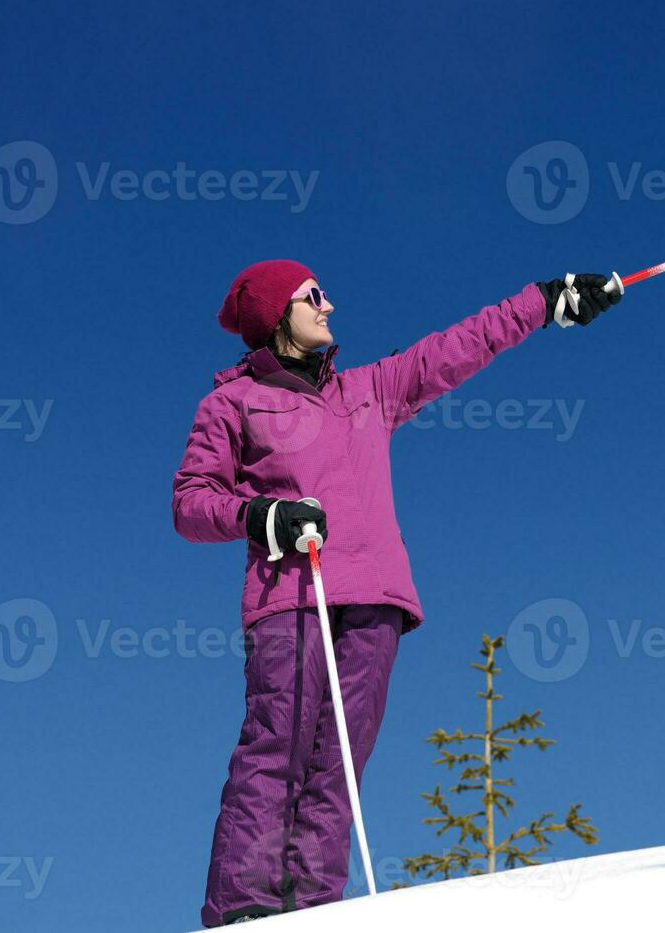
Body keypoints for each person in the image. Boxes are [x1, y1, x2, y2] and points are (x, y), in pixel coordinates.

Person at [172, 259, 622, 926]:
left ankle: (315, 913)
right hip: (292, 594)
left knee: (338, 767)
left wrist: (546, 300)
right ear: (275, 314)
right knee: (279, 747)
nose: (329, 304)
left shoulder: (368, 391)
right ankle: (244, 912)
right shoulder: (231, 404)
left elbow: (458, 347)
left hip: (374, 600)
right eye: (312, 296)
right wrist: (262, 514)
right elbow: (191, 502)